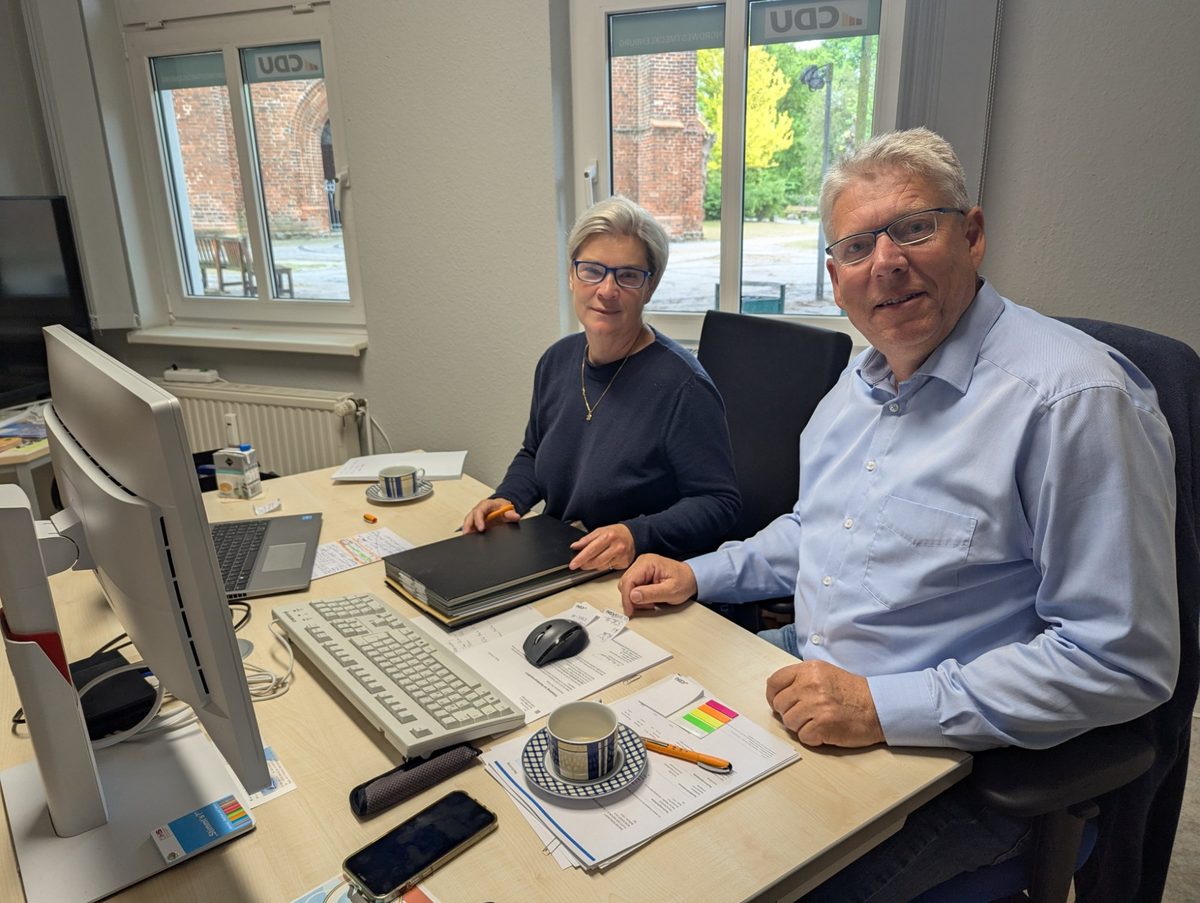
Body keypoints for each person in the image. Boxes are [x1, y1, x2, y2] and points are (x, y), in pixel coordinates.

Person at [617, 128, 1180, 900]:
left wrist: (881, 707)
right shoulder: (854, 391)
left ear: (972, 235)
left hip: (965, 768)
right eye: (857, 246)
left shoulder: (1072, 401)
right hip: (813, 681)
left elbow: (1121, 661)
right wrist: (699, 571)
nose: (886, 261)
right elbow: (819, 531)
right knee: (644, 796)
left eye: (914, 227)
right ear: (836, 277)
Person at [462, 196, 740, 572]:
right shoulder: (557, 361)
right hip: (560, 558)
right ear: (572, 275)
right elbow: (534, 452)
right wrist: (507, 498)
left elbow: (718, 503)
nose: (607, 290)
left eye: (627, 275)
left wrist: (635, 534)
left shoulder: (684, 387)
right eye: (592, 270)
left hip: (636, 577)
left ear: (650, 286)